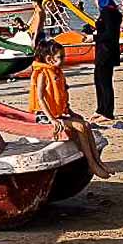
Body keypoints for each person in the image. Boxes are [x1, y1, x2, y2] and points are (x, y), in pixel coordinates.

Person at [27, 40, 112, 178]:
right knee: (80, 126)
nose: (64, 60)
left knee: (85, 124)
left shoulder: (57, 72)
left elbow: (62, 96)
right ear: (49, 59)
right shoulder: (42, 73)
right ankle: (91, 163)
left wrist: (71, 112)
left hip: (57, 115)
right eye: (60, 57)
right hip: (44, 117)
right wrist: (53, 120)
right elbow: (41, 99)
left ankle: (98, 161)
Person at [90, 0, 123, 122]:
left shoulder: (109, 13)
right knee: (98, 79)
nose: (95, 1)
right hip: (104, 50)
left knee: (105, 82)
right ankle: (101, 108)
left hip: (107, 51)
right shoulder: (109, 12)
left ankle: (108, 112)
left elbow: (110, 34)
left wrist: (94, 37)